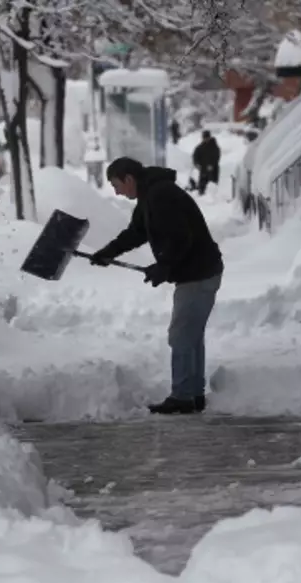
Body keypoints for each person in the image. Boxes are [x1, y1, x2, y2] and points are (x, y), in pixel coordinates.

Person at [90, 157, 224, 415]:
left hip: (198, 274)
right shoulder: (150, 194)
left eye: (117, 185)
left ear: (129, 179)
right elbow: (137, 232)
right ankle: (193, 395)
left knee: (182, 335)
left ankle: (184, 396)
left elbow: (180, 237)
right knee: (190, 335)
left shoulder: (160, 195)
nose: (117, 191)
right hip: (199, 271)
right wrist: (108, 253)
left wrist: (163, 265)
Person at [192, 130, 221, 195]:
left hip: (213, 170)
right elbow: (195, 155)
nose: (205, 139)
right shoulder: (200, 147)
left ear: (209, 137)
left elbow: (217, 157)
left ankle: (212, 199)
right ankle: (201, 196)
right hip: (203, 169)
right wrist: (196, 163)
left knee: (212, 186)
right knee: (202, 186)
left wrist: (212, 165)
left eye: (206, 138)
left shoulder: (214, 147)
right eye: (204, 138)